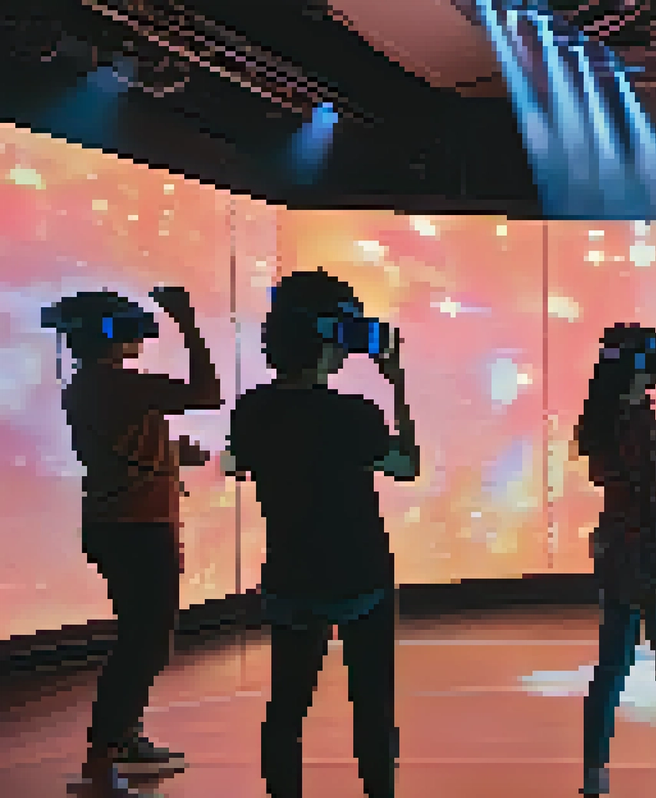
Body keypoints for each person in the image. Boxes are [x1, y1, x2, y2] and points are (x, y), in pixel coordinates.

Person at [224, 270, 419, 798]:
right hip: (360, 578)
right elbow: (406, 466)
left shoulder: (252, 409)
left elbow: (233, 464)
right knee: (372, 707)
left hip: (289, 577)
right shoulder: (353, 414)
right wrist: (396, 383)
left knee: (286, 709)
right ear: (329, 338)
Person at [46, 287, 220, 796]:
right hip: (137, 526)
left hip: (118, 524)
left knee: (140, 637)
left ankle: (122, 735)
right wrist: (187, 319)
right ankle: (110, 743)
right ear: (111, 335)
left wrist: (169, 456)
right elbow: (206, 393)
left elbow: (123, 445)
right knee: (146, 641)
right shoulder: (117, 385)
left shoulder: (91, 386)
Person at [574, 324, 656, 798]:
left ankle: (594, 768)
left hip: (623, 553)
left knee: (613, 663)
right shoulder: (631, 424)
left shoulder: (607, 419)